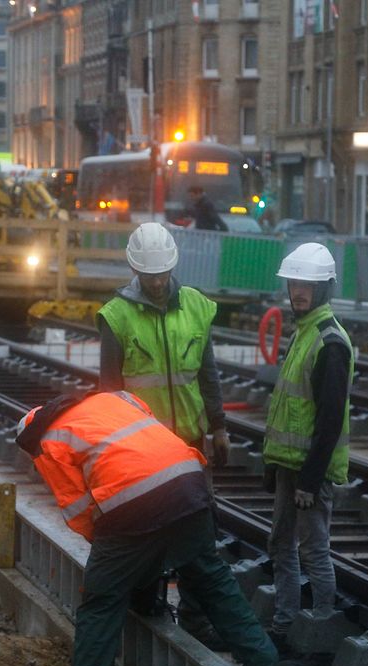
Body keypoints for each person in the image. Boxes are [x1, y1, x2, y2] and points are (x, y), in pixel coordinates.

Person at [14, 391, 280, 666]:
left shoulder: (47, 441)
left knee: (99, 609)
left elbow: (80, 512)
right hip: (189, 480)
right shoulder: (115, 399)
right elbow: (147, 452)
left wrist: (112, 567)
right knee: (211, 577)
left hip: (132, 502)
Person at [97, 222, 231, 644]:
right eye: (149, 274)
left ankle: (194, 615)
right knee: (146, 531)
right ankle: (147, 602)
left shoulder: (196, 307)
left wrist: (220, 425)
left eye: (162, 273)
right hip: (142, 450)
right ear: (136, 270)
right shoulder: (116, 316)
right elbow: (109, 392)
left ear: (172, 267)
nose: (156, 282)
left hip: (189, 443)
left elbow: (207, 375)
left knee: (197, 534)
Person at [261, 243, 353, 666]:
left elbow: (329, 422)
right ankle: (284, 628)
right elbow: (288, 408)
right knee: (281, 544)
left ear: (324, 289)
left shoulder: (330, 342)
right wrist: (275, 467)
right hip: (288, 468)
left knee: (314, 551)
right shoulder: (304, 333)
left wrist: (309, 482)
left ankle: (319, 640)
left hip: (307, 476)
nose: (298, 292)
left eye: (307, 285)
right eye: (294, 283)